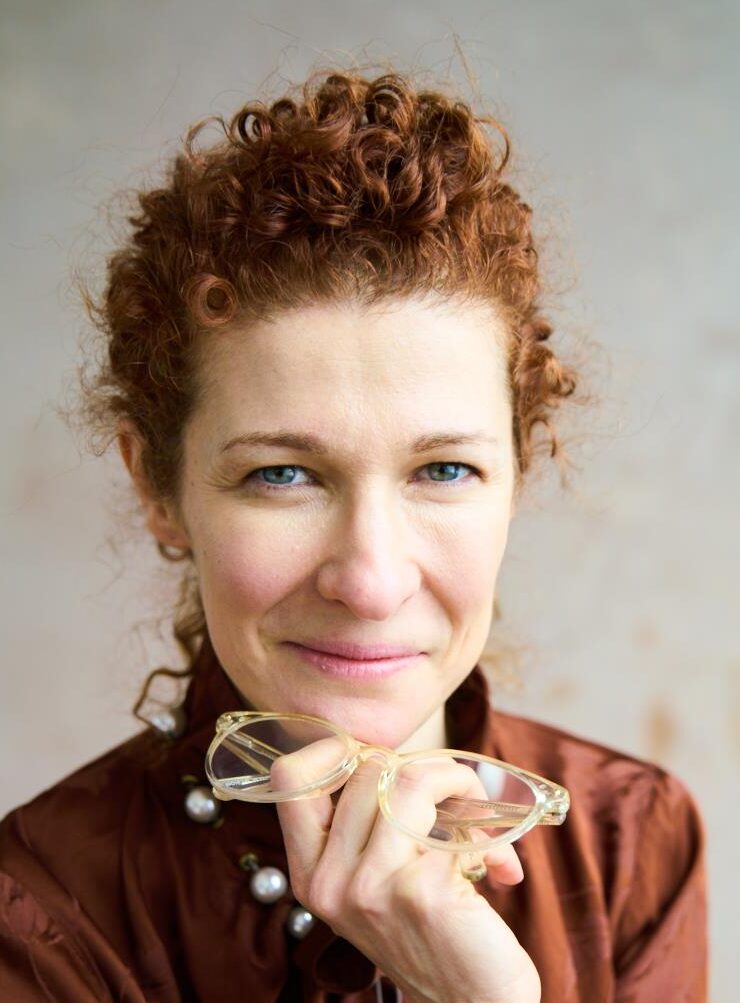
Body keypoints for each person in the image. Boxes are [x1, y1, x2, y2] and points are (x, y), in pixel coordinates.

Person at [0, 68, 707, 1002]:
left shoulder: (633, 845)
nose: (371, 581)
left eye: (443, 470)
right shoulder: (38, 915)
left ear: (517, 475)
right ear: (158, 487)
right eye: (281, 474)